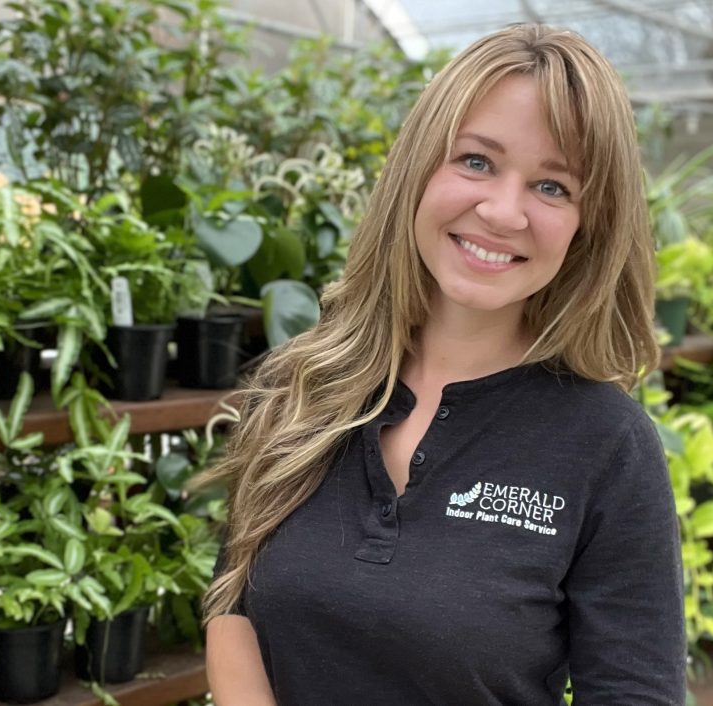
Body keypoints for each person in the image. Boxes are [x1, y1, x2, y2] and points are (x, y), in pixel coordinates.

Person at [203, 23, 686, 706]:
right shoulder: (300, 388)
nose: (502, 211)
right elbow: (232, 605)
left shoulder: (607, 446)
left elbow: (633, 693)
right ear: (418, 169)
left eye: (553, 187)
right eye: (477, 162)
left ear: (588, 227)